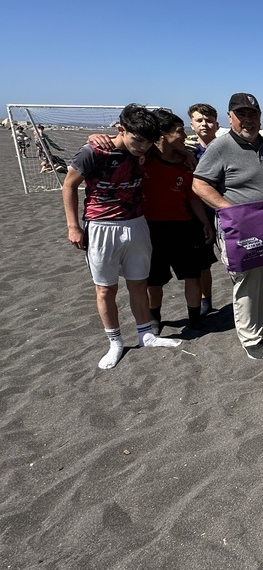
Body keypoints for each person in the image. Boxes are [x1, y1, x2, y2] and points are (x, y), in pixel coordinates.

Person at [62, 104, 182, 370]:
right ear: (121, 130)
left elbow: (174, 144)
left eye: (147, 142)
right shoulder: (93, 151)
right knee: (105, 289)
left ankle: (146, 334)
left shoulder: (146, 152)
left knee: (139, 284)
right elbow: (69, 184)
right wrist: (73, 227)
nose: (141, 146)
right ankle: (115, 342)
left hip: (137, 224)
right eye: (136, 139)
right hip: (101, 225)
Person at [192, 92, 263, 360]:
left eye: (253, 114)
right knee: (250, 284)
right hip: (244, 229)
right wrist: (229, 210)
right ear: (230, 117)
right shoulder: (221, 147)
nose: (248, 120)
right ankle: (251, 337)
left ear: (260, 117)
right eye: (241, 115)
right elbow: (199, 184)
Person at [142, 109, 214, 334]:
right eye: (179, 131)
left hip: (184, 226)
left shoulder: (186, 162)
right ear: (162, 134)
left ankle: (194, 318)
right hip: (152, 228)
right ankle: (155, 319)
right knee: (154, 281)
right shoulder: (143, 159)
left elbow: (193, 197)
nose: (184, 136)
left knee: (192, 276)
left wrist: (205, 222)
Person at [186, 102, 220, 316]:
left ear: (217, 123)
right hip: (198, 213)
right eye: (199, 120)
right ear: (192, 124)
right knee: (202, 262)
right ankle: (205, 300)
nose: (205, 124)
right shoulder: (187, 151)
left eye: (208, 120)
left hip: (224, 210)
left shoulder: (226, 146)